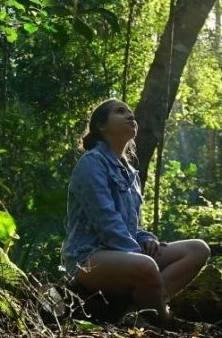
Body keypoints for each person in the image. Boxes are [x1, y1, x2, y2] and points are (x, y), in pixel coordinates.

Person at [61, 98, 210, 323]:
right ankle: (163, 319)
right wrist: (136, 253)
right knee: (145, 265)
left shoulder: (130, 172)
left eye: (131, 113)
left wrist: (145, 238)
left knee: (198, 249)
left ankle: (136, 311)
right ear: (102, 125)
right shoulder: (92, 163)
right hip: (88, 258)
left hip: (126, 252)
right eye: (120, 112)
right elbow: (105, 220)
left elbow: (131, 225)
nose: (131, 116)